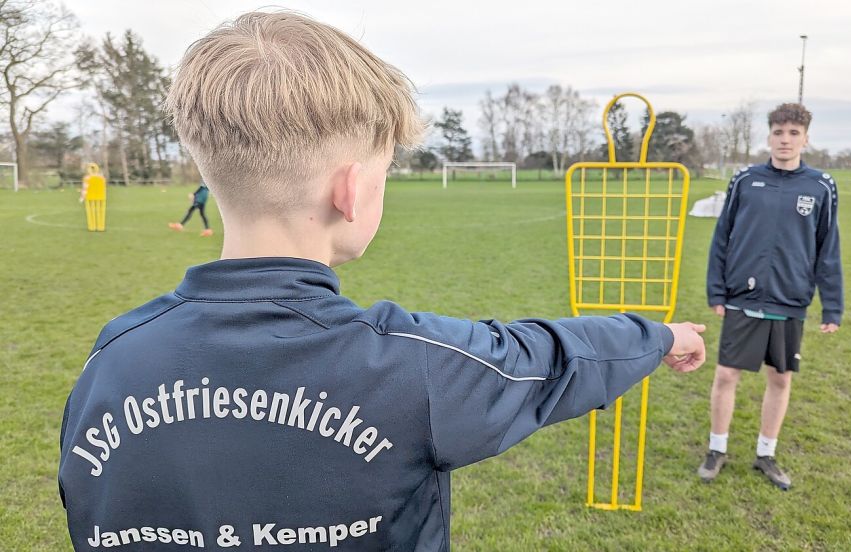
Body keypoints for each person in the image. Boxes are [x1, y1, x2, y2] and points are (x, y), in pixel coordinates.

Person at [58, 11, 708, 551]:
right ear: (351, 189)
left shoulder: (111, 362)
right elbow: (552, 359)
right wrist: (659, 334)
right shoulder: (414, 369)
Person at [698, 103, 843, 490]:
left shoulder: (821, 186)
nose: (785, 139)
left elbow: (828, 247)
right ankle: (717, 449)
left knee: (779, 378)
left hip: (789, 299)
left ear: (805, 139)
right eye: (779, 132)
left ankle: (766, 454)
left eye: (793, 133)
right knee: (726, 374)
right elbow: (722, 239)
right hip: (742, 296)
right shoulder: (745, 180)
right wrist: (716, 289)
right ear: (769, 136)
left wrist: (833, 305)